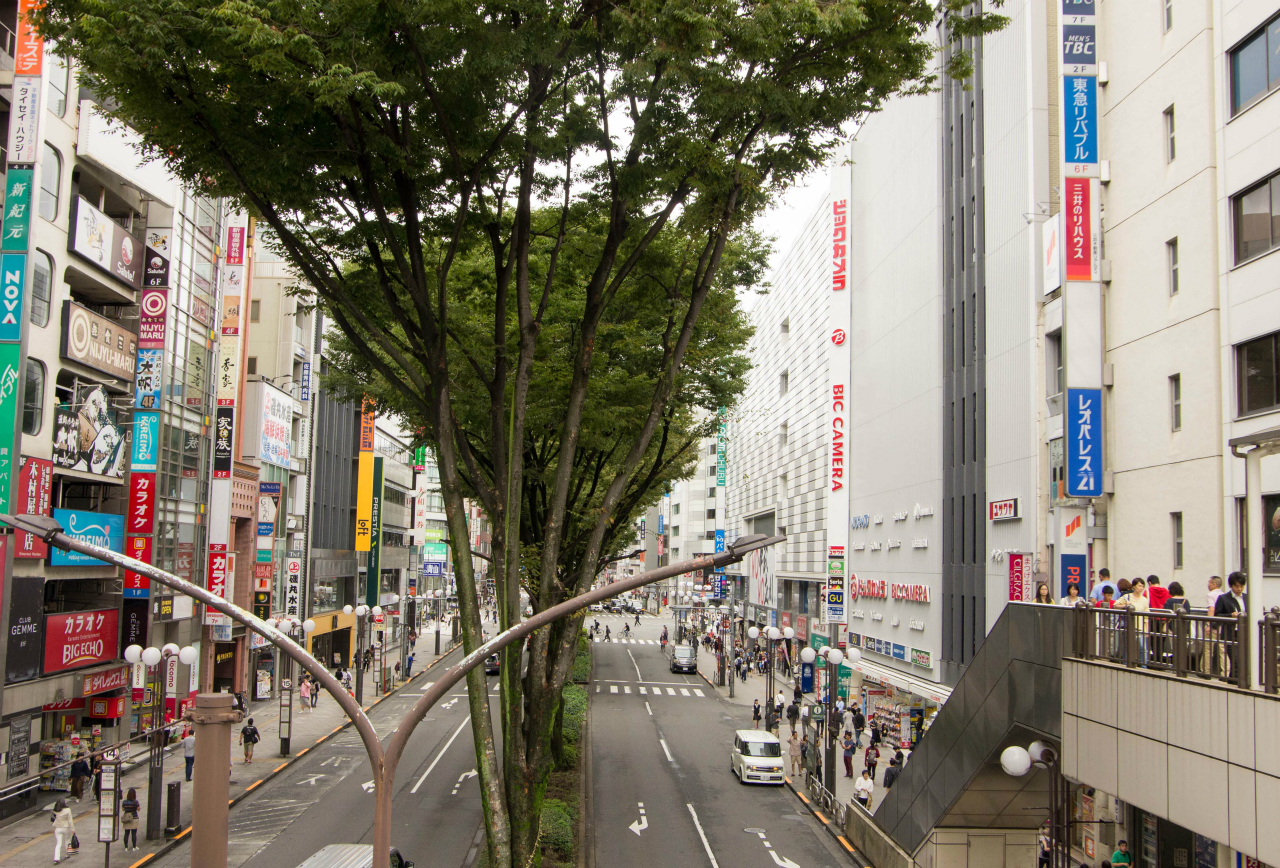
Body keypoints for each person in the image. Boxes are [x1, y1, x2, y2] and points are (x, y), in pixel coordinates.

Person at [50, 798, 75, 863]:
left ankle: (56, 858)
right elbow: (70, 820)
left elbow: (52, 819)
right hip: (66, 827)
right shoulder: (67, 810)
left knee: (58, 843)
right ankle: (67, 854)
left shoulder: (55, 810)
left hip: (58, 828)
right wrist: (73, 829)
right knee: (67, 840)